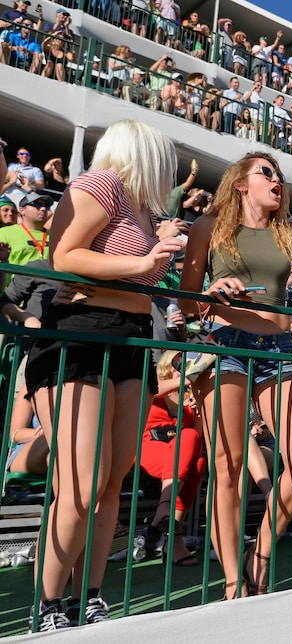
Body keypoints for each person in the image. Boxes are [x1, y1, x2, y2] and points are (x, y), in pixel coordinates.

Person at [180, 102, 292, 599]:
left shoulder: (287, 233)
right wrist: (211, 296)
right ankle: (237, 585)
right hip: (225, 346)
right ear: (241, 183)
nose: (276, 180)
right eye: (265, 172)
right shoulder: (207, 230)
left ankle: (258, 555)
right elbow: (186, 305)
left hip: (278, 349)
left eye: (278, 174)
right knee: (229, 469)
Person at [23, 120, 185, 631]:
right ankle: (47, 604)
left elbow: (139, 280)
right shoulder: (103, 184)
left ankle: (87, 595)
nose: (171, 170)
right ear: (147, 153)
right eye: (166, 158)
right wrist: (146, 256)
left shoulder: (142, 208)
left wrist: (156, 249)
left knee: (111, 482)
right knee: (81, 484)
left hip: (130, 335)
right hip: (80, 333)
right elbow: (64, 255)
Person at [136, 350, 206, 566]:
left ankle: (166, 516)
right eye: (180, 363)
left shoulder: (191, 397)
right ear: (168, 365)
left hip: (178, 455)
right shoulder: (153, 386)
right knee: (190, 450)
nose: (185, 367)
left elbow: (196, 435)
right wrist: (189, 378)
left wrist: (201, 410)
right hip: (148, 448)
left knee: (197, 455)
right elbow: (153, 390)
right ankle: (173, 538)